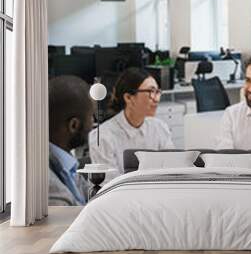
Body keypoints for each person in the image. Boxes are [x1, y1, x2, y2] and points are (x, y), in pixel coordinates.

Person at [89, 67, 174, 177]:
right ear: (129, 98)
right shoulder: (102, 138)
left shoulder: (160, 128)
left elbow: (171, 169)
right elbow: (110, 186)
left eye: (157, 92)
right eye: (150, 92)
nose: (156, 99)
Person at [49, 75, 94, 206]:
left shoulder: (66, 163)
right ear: (74, 125)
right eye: (91, 117)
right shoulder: (50, 186)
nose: (93, 123)